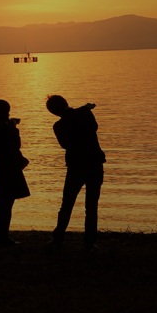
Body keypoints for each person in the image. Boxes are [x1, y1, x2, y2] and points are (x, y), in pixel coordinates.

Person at [47, 95, 106, 249]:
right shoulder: (83, 114)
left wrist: (82, 110)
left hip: (76, 166)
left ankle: (58, 237)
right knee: (91, 206)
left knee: (67, 203)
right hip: (93, 163)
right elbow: (94, 128)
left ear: (53, 112)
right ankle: (89, 241)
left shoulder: (58, 126)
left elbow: (65, 144)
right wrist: (83, 110)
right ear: (65, 103)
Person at [0, 99, 30, 245]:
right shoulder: (3, 128)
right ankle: (2, 237)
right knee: (6, 204)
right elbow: (14, 145)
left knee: (2, 203)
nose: (8, 113)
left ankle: (0, 236)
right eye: (7, 110)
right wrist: (14, 127)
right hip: (8, 168)